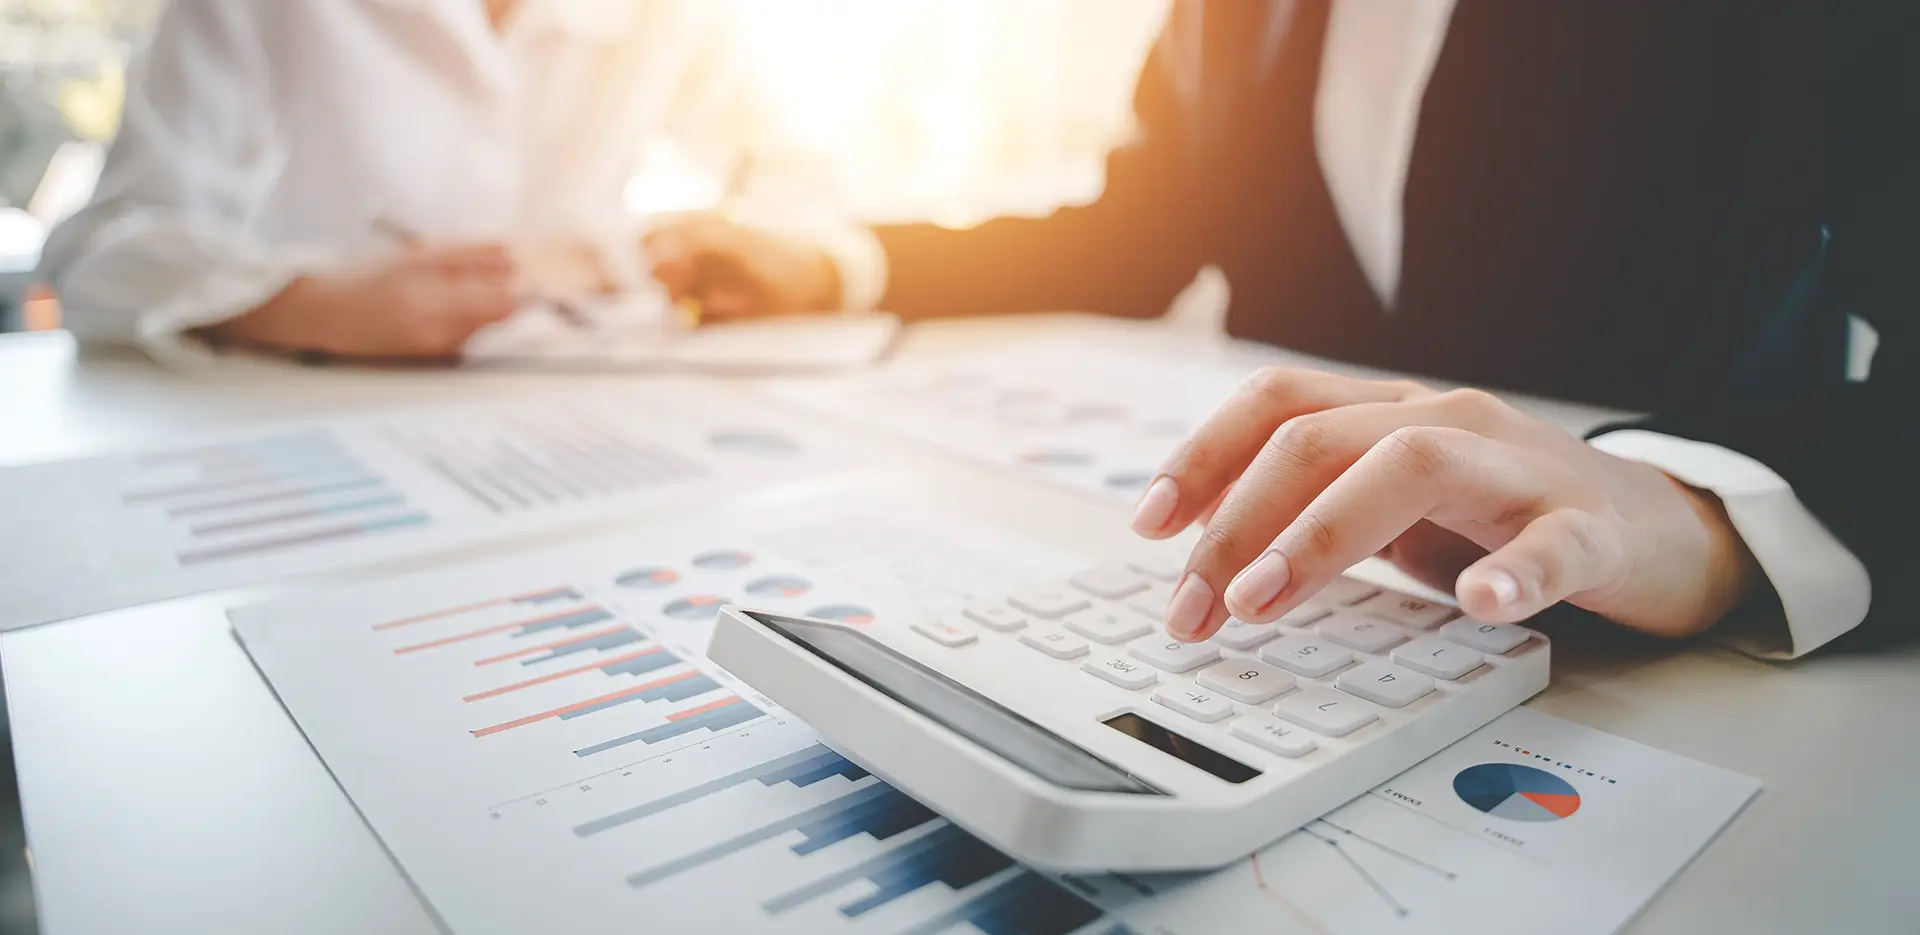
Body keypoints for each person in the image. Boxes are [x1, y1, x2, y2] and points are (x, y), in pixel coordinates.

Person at [648, 0, 1916, 657]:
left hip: (1660, 632)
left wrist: (1707, 511)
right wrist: (840, 260)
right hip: (1326, 613)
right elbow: (1140, 228)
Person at [37, 0, 876, 362]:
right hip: (304, 412)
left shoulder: (672, 17)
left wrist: (796, 260)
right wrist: (308, 304)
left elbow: (808, 181)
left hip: (577, 417)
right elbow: (95, 253)